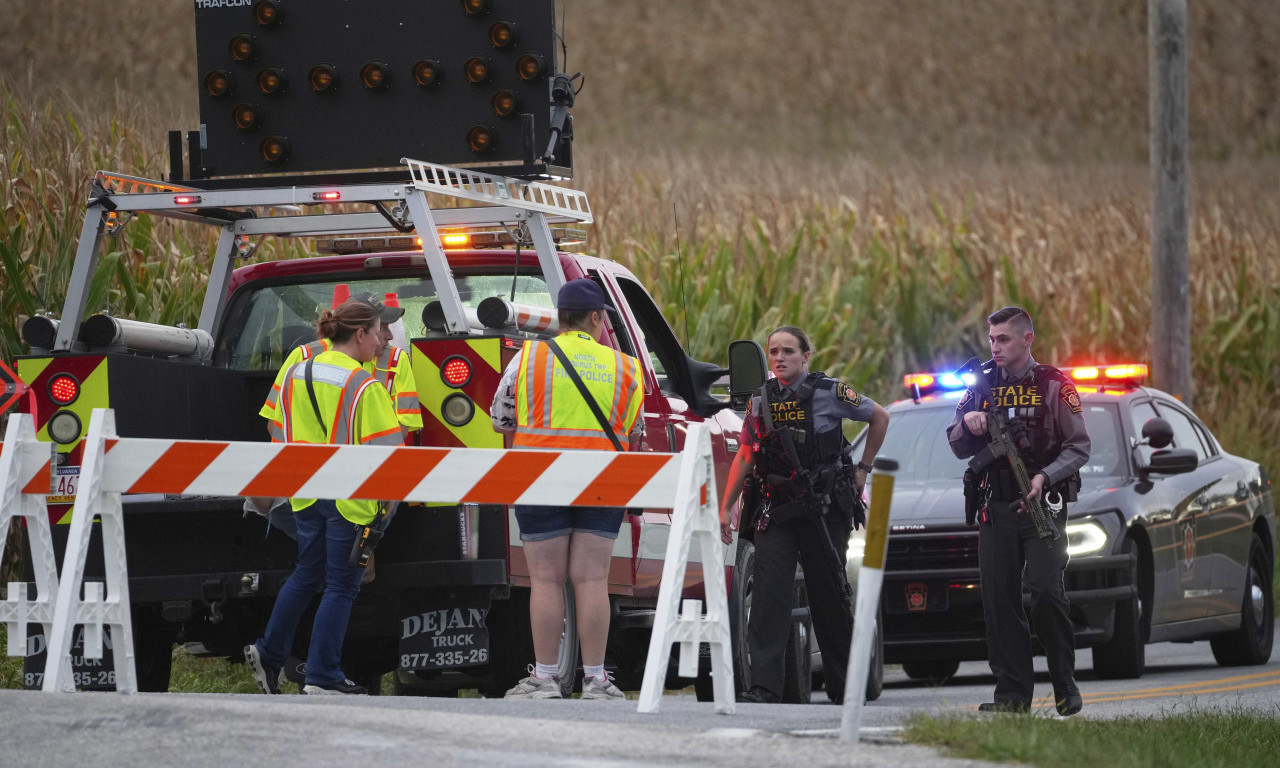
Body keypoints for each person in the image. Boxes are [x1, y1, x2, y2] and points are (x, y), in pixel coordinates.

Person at [489, 278, 644, 700]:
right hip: (603, 480)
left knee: (545, 579)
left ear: (560, 318)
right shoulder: (625, 367)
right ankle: (596, 679)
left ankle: (544, 678)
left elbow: (500, 418)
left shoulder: (529, 358)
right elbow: (636, 431)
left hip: (541, 478)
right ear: (596, 318)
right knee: (592, 579)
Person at [718, 326, 889, 704]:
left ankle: (846, 686)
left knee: (829, 594)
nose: (780, 358)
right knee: (767, 596)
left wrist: (863, 469)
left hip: (824, 507)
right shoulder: (760, 400)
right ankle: (764, 688)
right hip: (777, 508)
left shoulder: (830, 392)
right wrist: (727, 505)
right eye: (774, 351)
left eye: (788, 351)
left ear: (806, 356)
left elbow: (879, 417)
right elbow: (746, 454)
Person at [244, 300, 403, 695]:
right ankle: (322, 675)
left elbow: (276, 432)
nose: (383, 342)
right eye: (379, 332)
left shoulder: (298, 372)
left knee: (308, 573)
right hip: (351, 501)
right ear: (361, 334)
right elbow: (391, 454)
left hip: (305, 495)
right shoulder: (363, 384)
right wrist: (384, 514)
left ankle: (269, 653)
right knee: (342, 585)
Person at [945, 306, 1090, 716]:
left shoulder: (1054, 385)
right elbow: (955, 445)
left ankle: (1064, 683)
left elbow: (1079, 446)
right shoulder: (980, 384)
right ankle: (1011, 697)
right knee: (999, 600)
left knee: (1044, 591)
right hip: (996, 505)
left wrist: (1044, 476)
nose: (996, 347)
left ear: (1027, 339)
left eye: (1004, 339)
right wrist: (968, 422)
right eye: (991, 339)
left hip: (1041, 503)